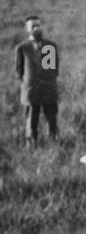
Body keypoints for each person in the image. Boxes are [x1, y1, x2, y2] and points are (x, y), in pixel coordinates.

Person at [14, 15, 59, 145]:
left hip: (48, 89)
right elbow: (19, 72)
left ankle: (53, 143)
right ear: (27, 29)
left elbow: (52, 70)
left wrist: (47, 83)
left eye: (38, 25)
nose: (36, 28)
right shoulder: (22, 48)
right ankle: (31, 144)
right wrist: (29, 83)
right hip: (31, 90)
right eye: (33, 26)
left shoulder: (49, 46)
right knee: (31, 119)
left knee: (51, 119)